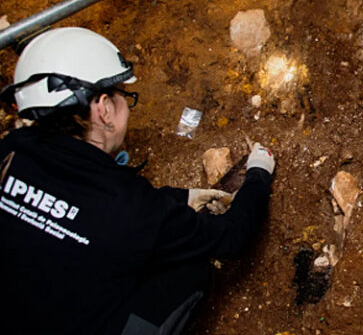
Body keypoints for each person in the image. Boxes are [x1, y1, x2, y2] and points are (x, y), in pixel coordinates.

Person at [0, 27, 276, 334]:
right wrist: (259, 174)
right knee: (191, 268)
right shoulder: (127, 208)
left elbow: (79, 208)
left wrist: (181, 197)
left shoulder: (7, 154)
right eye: (122, 96)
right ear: (103, 109)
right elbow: (231, 236)